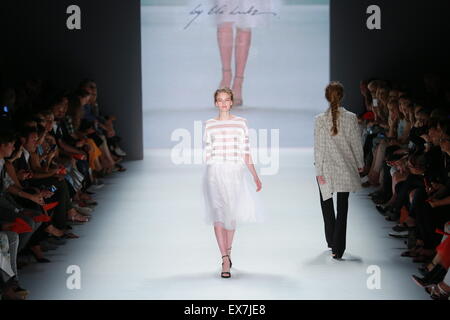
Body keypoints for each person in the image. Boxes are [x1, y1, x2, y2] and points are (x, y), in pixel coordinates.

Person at [203, 87, 262, 278]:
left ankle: (228, 250)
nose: (223, 103)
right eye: (220, 100)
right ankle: (224, 258)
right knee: (218, 215)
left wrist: (254, 175)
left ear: (231, 101)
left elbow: (246, 151)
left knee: (231, 215)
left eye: (226, 99)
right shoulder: (209, 124)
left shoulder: (241, 123)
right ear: (215, 103)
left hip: (235, 174)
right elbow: (208, 152)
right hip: (214, 174)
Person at [314, 81, 364, 259]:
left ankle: (331, 240)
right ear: (342, 96)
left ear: (327, 97)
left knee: (326, 205)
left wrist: (318, 169)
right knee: (343, 208)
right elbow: (356, 144)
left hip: (326, 168)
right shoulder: (351, 118)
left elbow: (319, 148)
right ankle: (338, 248)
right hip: (345, 168)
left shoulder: (320, 120)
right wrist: (360, 164)